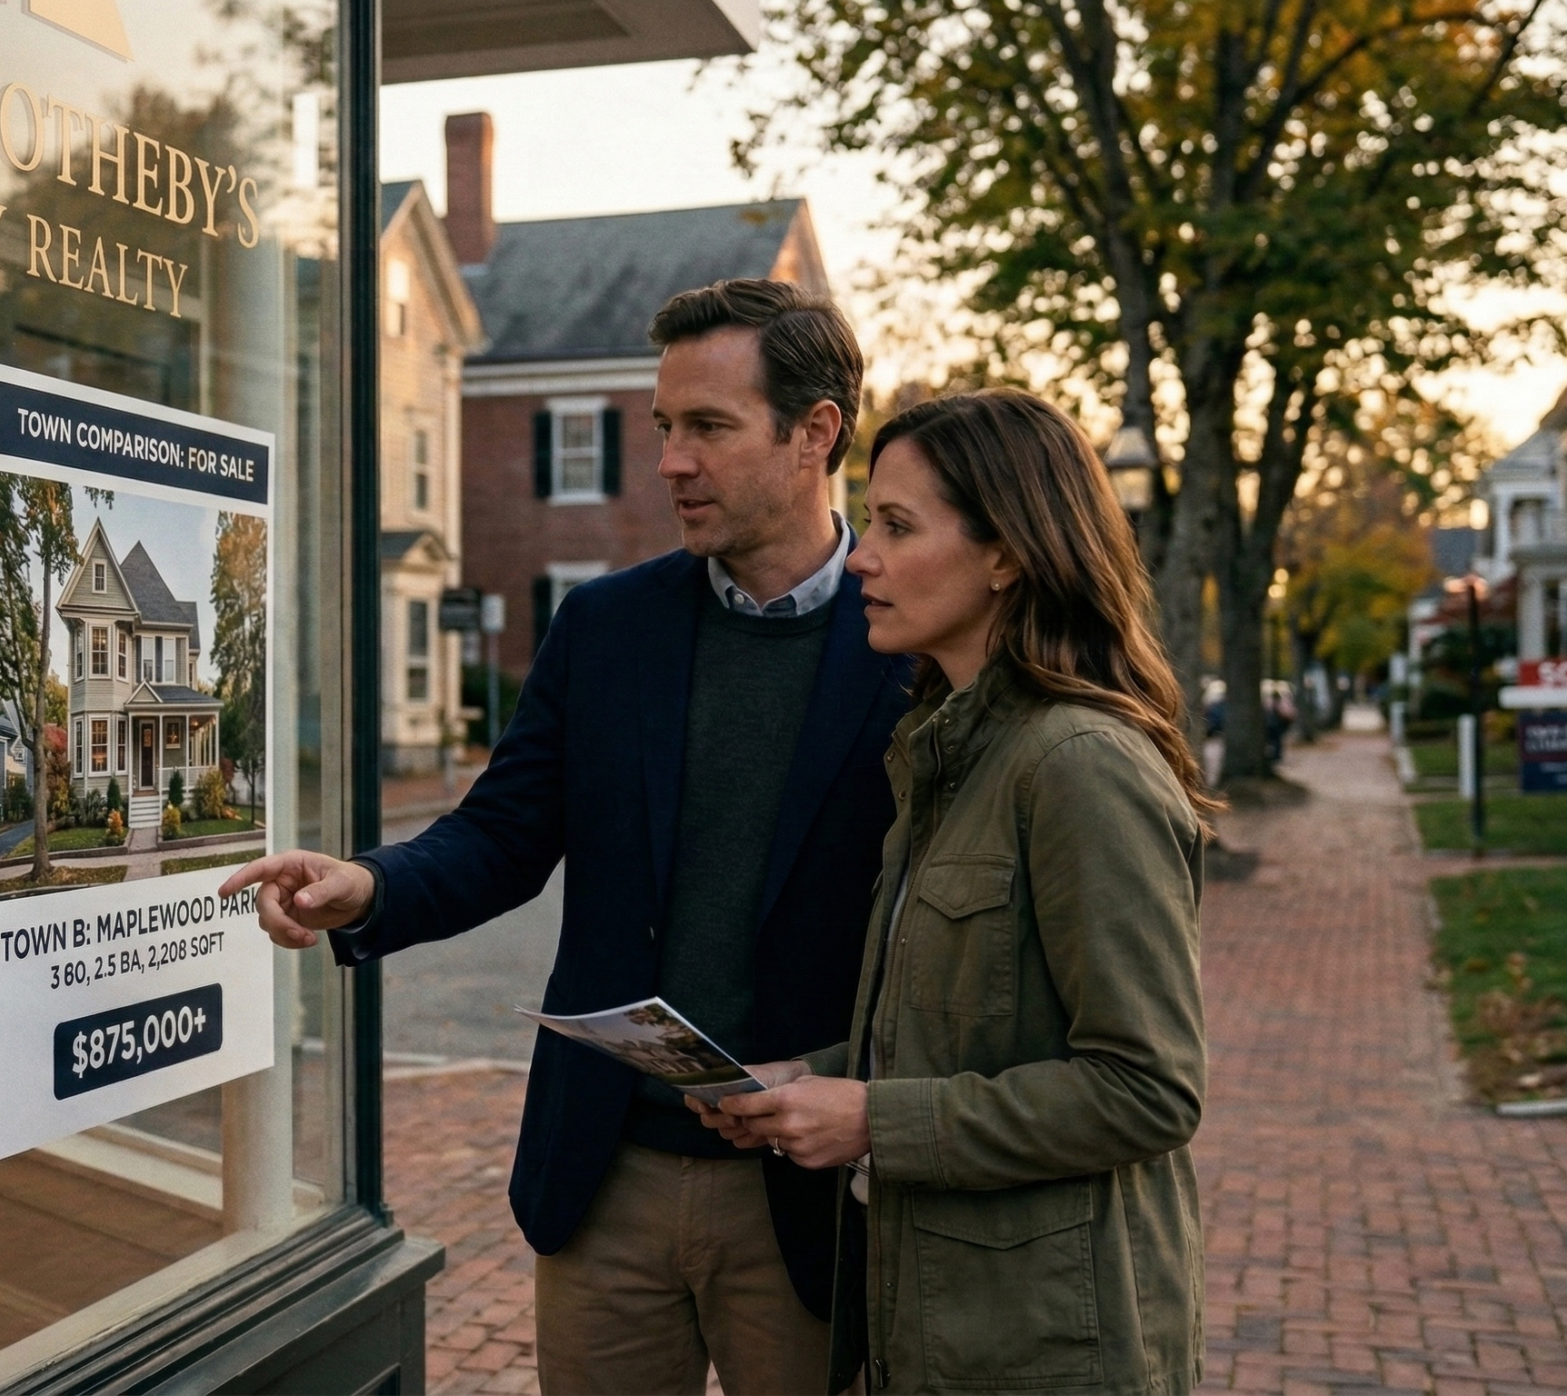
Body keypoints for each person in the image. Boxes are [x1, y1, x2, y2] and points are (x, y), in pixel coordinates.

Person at [219, 279, 912, 1395]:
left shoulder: (911, 649)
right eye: (662, 429)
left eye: (708, 428)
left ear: (815, 434)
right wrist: (368, 883)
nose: (671, 462)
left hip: (811, 1193)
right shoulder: (605, 625)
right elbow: (500, 834)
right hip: (605, 1179)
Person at [703, 388, 1215, 1394]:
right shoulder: (946, 757)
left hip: (1050, 1348)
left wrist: (869, 1120)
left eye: (896, 525)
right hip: (937, 1328)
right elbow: (964, 1027)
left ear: (1006, 553)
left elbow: (1148, 1088)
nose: (861, 557)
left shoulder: (1077, 764)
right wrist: (807, 1077)